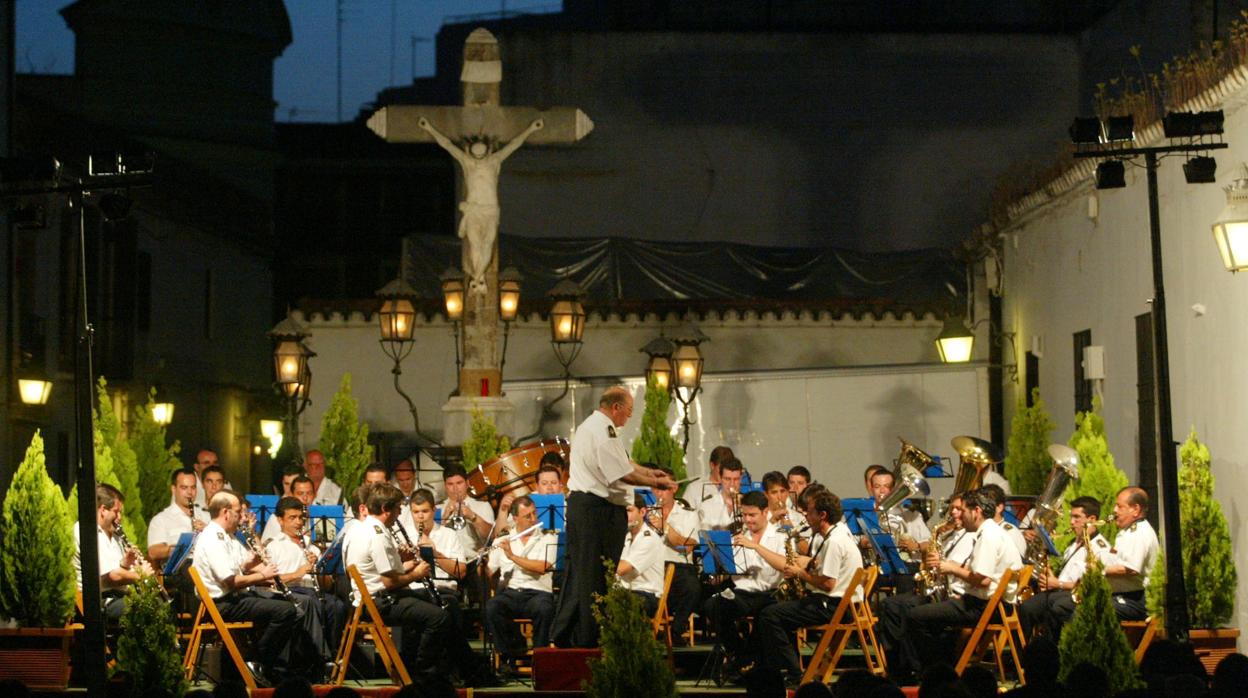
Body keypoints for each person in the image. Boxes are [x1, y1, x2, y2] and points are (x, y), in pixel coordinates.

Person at [551, 385, 675, 648]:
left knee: (586, 574)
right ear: (616, 407)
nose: (628, 418)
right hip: (596, 512)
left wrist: (652, 475)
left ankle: (575, 634)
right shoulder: (603, 430)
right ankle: (586, 638)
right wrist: (655, 484)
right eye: (628, 412)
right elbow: (622, 474)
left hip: (590, 509)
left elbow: (626, 464)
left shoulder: (595, 428)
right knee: (594, 577)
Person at [899, 488, 1022, 680]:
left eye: (963, 511)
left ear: (977, 511)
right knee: (930, 613)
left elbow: (983, 579)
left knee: (915, 616)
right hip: (991, 604)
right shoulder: (991, 532)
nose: (960, 517)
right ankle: (943, 665)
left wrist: (951, 568)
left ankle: (931, 672)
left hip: (987, 607)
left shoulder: (988, 536)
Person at [342, 484, 452, 696]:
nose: (401, 513)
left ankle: (427, 668)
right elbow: (388, 582)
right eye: (398, 509)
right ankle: (423, 676)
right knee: (438, 618)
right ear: (386, 509)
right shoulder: (378, 535)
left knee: (441, 603)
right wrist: (417, 574)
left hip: (371, 596)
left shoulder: (363, 528)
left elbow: (384, 571)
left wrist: (407, 564)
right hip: (377, 601)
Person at [417, 115, 544, 293]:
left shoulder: (494, 161)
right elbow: (447, 145)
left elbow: (514, 144)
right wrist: (429, 128)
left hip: (491, 211)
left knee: (487, 244)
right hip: (474, 211)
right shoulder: (467, 163)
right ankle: (479, 278)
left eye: (481, 155)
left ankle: (477, 279)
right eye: (475, 156)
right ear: (471, 152)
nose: (478, 160)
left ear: (487, 151)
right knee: (475, 245)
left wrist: (532, 129)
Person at [752, 488, 863, 687]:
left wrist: (800, 573)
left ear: (823, 515)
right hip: (844, 604)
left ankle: (796, 674)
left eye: (810, 512)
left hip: (833, 606)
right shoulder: (838, 532)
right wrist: (808, 563)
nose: (806, 516)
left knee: (769, 615)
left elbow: (829, 584)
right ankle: (793, 670)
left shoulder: (834, 542)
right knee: (777, 612)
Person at [192, 491, 301, 685]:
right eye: (237, 512)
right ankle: (256, 661)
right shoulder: (212, 538)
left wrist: (251, 562)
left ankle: (270, 667)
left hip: (233, 598)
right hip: (222, 604)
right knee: (285, 611)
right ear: (225, 513)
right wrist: (262, 576)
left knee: (291, 608)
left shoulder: (226, 536)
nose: (240, 517)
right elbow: (231, 581)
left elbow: (240, 564)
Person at [876, 493, 975, 674]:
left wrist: (942, 563)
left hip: (955, 593)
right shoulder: (948, 535)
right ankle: (896, 666)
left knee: (908, 609)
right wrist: (929, 561)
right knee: (888, 604)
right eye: (952, 508)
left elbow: (966, 569)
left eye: (959, 509)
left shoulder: (973, 536)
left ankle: (917, 667)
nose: (953, 512)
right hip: (937, 590)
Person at [408, 490, 493, 686]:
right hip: (416, 590)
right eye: (416, 512)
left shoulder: (448, 535)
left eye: (425, 511)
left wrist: (435, 552)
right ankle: (466, 667)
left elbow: (461, 572)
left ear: (434, 511)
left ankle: (439, 671)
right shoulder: (406, 536)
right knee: (446, 610)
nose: (420, 516)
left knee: (449, 605)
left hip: (444, 589)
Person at [706, 490, 786, 670]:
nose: (748, 520)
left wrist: (755, 547)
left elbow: (784, 565)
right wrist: (720, 573)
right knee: (712, 606)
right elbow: (732, 569)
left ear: (765, 512)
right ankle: (740, 653)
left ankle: (748, 661)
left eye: (752, 515)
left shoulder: (780, 536)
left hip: (768, 594)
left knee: (764, 616)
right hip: (741, 593)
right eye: (744, 515)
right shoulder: (739, 536)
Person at [264, 496, 347, 669]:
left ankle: (333, 654)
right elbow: (270, 580)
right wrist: (298, 573)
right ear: (280, 520)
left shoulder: (311, 545)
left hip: (313, 591)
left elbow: (327, 585)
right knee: (312, 603)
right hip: (289, 592)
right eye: (292, 518)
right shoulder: (274, 546)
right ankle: (320, 659)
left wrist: (318, 567)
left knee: (337, 606)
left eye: (301, 518)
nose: (298, 523)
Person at [1018, 496, 1114, 638]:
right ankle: (1023, 654)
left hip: (1076, 598)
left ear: (1092, 519)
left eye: (1077, 517)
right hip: (1059, 592)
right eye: (1071, 517)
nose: (1071, 522)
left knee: (1044, 608)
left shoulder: (1100, 549)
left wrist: (1057, 583)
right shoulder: (1073, 543)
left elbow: (1091, 586)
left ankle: (1047, 651)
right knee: (1026, 608)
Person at [485, 495, 558, 675]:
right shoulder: (504, 539)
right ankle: (510, 655)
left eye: (534, 514)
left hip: (538, 593)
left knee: (544, 609)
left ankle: (541, 661)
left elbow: (542, 567)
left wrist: (513, 557)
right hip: (511, 592)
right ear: (515, 518)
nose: (534, 519)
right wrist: (481, 562)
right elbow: (489, 571)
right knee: (493, 607)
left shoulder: (548, 537)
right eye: (528, 516)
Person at [74, 483, 155, 621]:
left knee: (158, 604)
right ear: (103, 510)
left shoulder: (114, 535)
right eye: (116, 512)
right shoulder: (87, 531)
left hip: (117, 596)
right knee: (148, 609)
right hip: (99, 602)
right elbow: (111, 577)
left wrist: (124, 564)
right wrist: (140, 575)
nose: (120, 518)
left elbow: (114, 573)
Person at [1104, 486, 1159, 620]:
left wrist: (1100, 570)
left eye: (1119, 506)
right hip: (1125, 596)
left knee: (1092, 609)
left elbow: (1131, 569)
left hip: (1136, 599)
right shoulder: (1128, 532)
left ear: (1135, 509)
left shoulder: (1139, 533)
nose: (1114, 510)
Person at [616, 493, 668, 616]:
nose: (624, 515)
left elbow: (621, 569)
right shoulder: (625, 536)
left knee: (615, 603)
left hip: (646, 595)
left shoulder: (649, 538)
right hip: (625, 591)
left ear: (642, 512)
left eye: (629, 510)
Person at [148, 468, 209, 563]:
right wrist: (183, 547)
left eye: (193, 487)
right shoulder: (161, 519)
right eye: (184, 488)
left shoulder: (206, 516)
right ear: (173, 489)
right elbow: (153, 552)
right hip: (179, 572)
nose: (190, 492)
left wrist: (208, 530)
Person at [439, 465, 495, 552]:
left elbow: (492, 536)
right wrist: (444, 517)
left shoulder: (483, 505)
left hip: (476, 560)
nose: (455, 488)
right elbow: (432, 538)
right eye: (450, 484)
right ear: (445, 486)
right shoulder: (437, 508)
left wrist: (473, 516)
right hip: (449, 561)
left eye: (459, 483)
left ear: (467, 483)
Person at [980, 484, 1027, 558]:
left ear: (999, 507)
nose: (979, 509)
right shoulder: (984, 529)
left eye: (985, 505)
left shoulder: (1010, 533)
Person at [698, 457, 745, 531]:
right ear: (720, 478)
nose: (732, 484)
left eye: (736, 479)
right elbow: (705, 536)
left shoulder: (749, 504)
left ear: (741, 479)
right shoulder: (707, 505)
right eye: (727, 479)